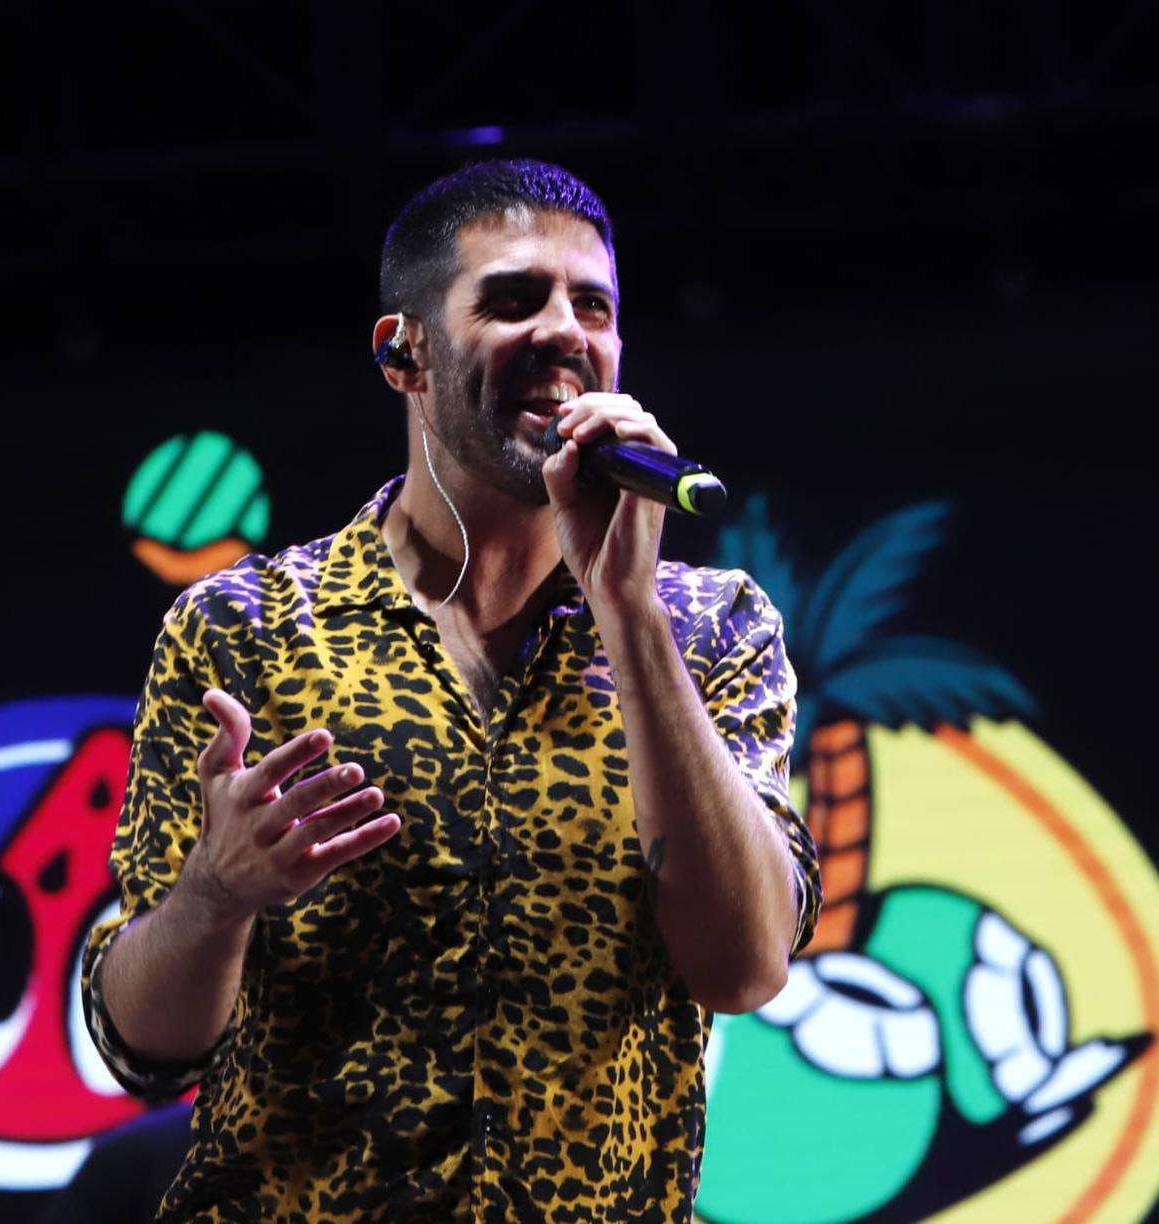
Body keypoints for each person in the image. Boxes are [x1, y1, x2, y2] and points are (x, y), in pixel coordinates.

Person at [80, 159, 820, 1221]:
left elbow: (743, 968)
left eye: (593, 307)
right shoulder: (245, 630)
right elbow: (139, 1044)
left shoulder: (711, 629)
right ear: (404, 353)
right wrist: (215, 894)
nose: (565, 332)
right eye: (513, 300)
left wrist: (630, 612)